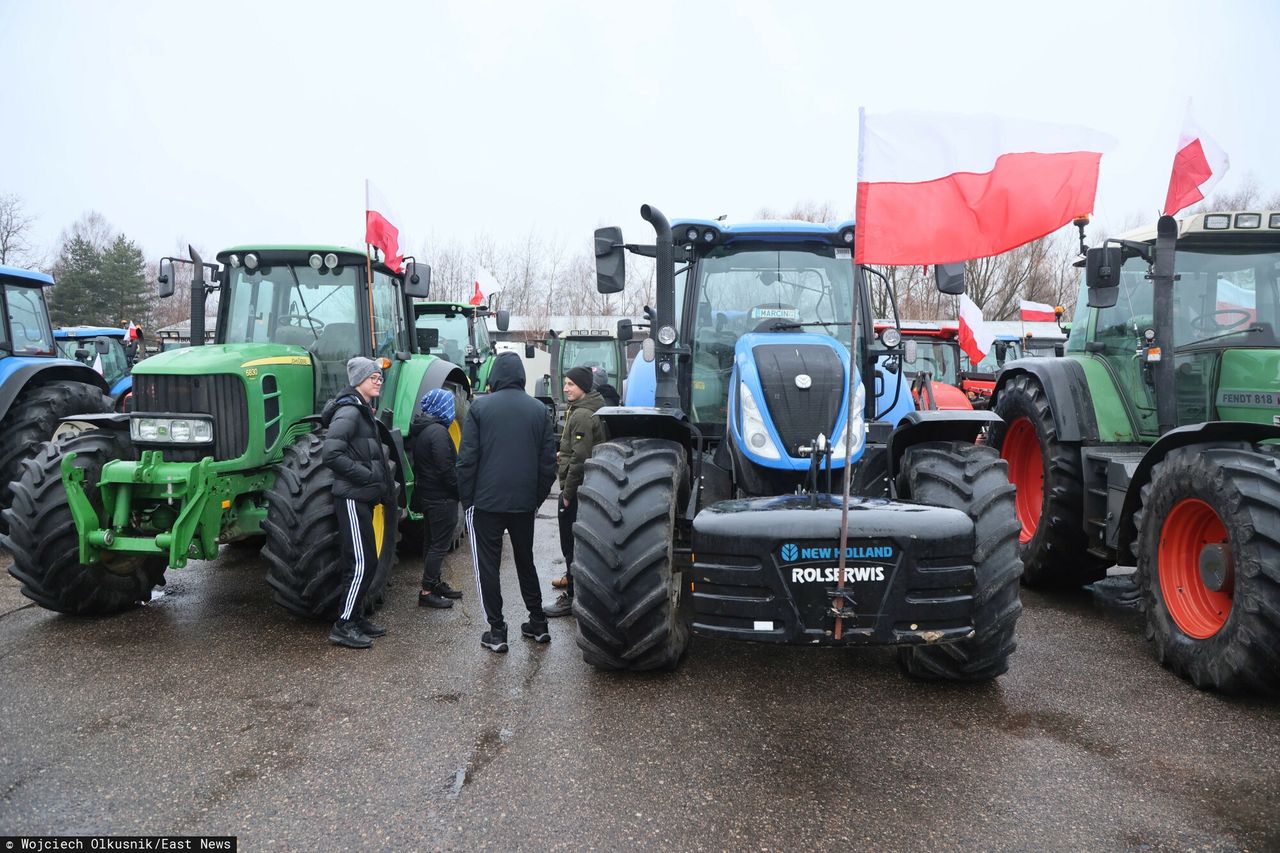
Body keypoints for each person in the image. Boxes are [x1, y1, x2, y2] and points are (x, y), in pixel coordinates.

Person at [456, 351, 557, 653]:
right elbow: (547, 465)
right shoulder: (539, 410)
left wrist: (468, 500)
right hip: (523, 504)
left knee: (488, 566)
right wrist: (535, 499)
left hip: (486, 503)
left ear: (495, 376)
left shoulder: (480, 408)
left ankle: (497, 631)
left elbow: (467, 460)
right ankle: (538, 623)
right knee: (526, 561)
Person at [321, 356, 397, 649]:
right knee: (362, 562)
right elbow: (331, 454)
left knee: (370, 561)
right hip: (352, 498)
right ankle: (344, 625)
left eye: (380, 377)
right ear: (358, 381)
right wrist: (366, 476)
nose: (378, 380)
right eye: (373, 377)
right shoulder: (349, 413)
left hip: (362, 497)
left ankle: (358, 615)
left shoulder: (363, 410)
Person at [546, 365, 607, 617]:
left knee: (570, 546)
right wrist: (565, 452)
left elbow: (580, 462)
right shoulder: (592, 407)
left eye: (571, 384)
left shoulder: (582, 415)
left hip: (578, 490)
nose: (566, 388)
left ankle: (572, 598)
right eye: (566, 383)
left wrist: (567, 495)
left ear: (583, 387)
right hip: (591, 489)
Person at [410, 388, 465, 609]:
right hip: (442, 497)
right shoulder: (439, 433)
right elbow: (446, 469)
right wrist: (459, 491)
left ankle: (435, 583)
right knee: (439, 545)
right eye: (449, 404)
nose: (451, 409)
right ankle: (427, 590)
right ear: (441, 406)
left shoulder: (424, 429)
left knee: (431, 541)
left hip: (429, 495)